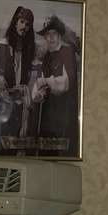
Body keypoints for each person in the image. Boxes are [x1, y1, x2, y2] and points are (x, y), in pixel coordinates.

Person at [0, 5, 38, 155]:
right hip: (4, 100)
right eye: (22, 22)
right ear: (15, 22)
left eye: (28, 24)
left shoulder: (29, 49)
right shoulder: (1, 45)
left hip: (20, 101)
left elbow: (32, 73)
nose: (24, 27)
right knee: (3, 140)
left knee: (18, 140)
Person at [34, 15, 80, 156]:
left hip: (64, 110)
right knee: (46, 150)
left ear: (59, 35)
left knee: (62, 150)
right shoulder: (47, 56)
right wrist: (39, 93)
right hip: (49, 111)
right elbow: (41, 81)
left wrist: (45, 82)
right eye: (47, 34)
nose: (51, 37)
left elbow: (65, 84)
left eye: (54, 33)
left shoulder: (67, 52)